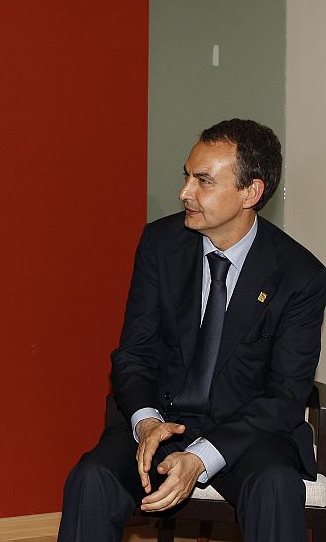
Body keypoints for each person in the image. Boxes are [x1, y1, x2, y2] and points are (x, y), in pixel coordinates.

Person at [58, 119, 326, 542]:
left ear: (250, 193)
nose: (185, 192)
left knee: (275, 485)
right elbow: (134, 354)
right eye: (187, 176)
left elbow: (286, 395)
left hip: (247, 435)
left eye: (203, 181)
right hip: (162, 423)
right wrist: (146, 423)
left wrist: (201, 456)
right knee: (92, 478)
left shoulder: (300, 275)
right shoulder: (160, 244)